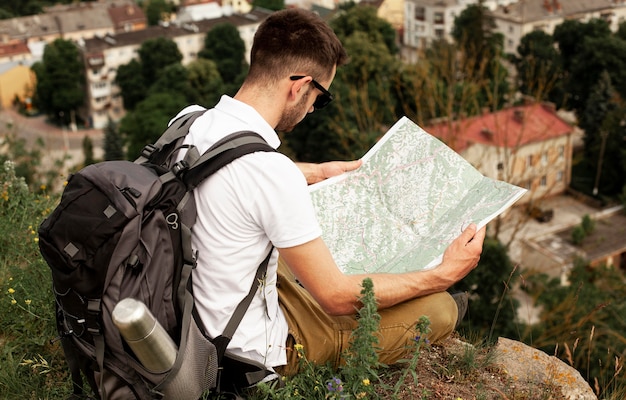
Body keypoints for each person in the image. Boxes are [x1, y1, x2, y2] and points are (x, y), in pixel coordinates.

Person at [170, 7, 485, 380]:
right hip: (245, 351)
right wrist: (443, 274)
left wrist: (314, 172)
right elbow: (337, 298)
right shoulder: (272, 174)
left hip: (189, 301)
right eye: (320, 99)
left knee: (297, 249)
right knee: (440, 310)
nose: (313, 109)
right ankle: (429, 298)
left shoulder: (190, 120)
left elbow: (220, 172)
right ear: (300, 86)